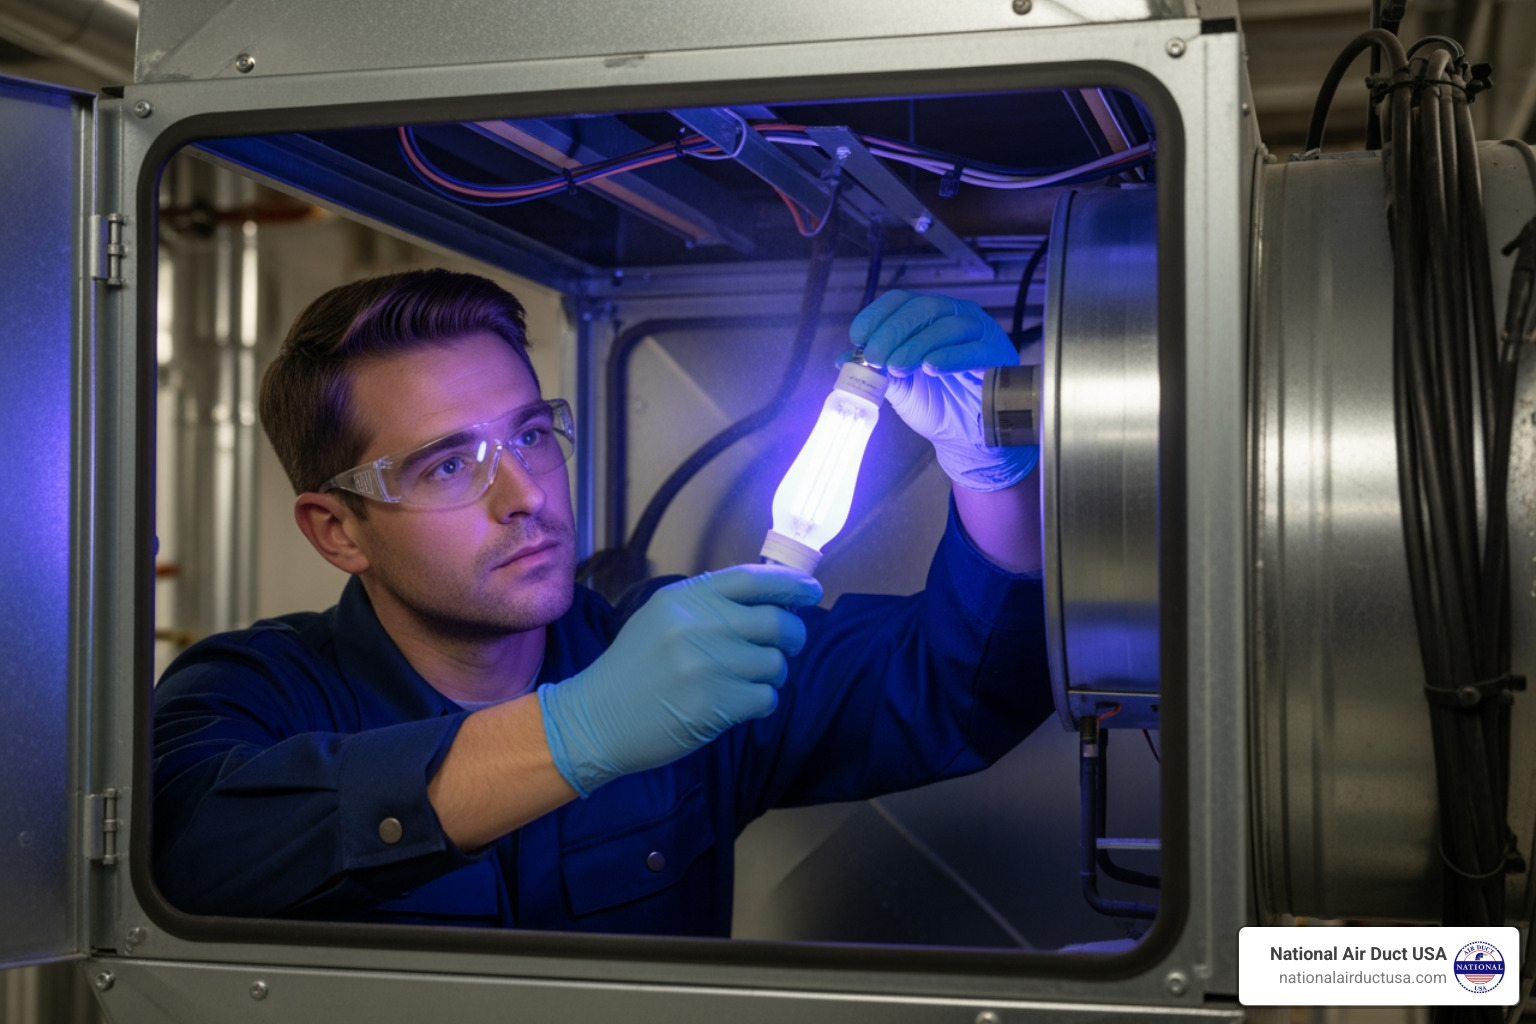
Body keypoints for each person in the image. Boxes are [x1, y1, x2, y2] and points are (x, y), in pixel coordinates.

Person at [152, 269, 1052, 934]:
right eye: (448, 465)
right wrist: (573, 732)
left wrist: (991, 473)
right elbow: (188, 861)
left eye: (532, 435)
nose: (528, 495)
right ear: (336, 530)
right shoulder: (249, 691)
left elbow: (960, 687)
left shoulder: (676, 655)